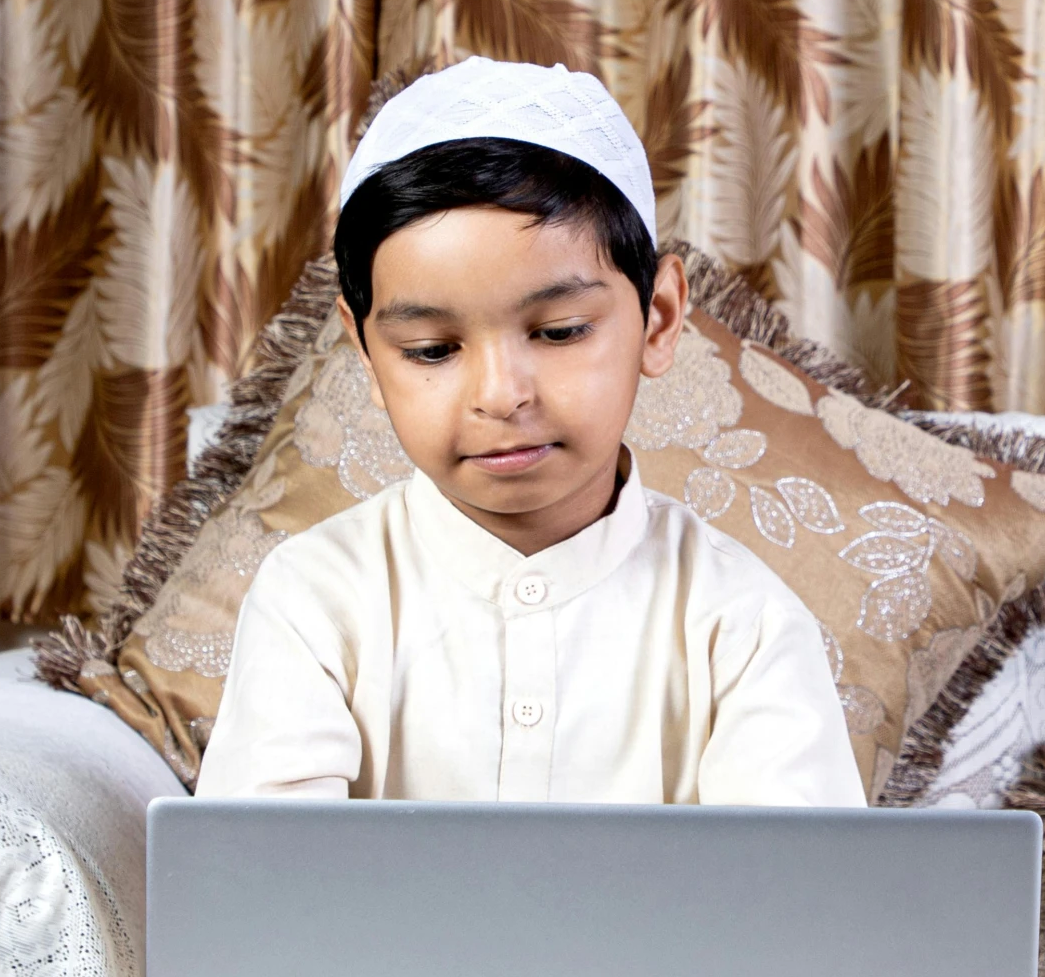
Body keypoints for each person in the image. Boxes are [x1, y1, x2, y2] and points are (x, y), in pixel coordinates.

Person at [195, 58, 865, 806]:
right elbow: (267, 894)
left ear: (660, 319)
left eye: (558, 331)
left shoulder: (742, 622)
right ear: (365, 351)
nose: (500, 395)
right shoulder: (316, 600)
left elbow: (793, 905)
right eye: (431, 350)